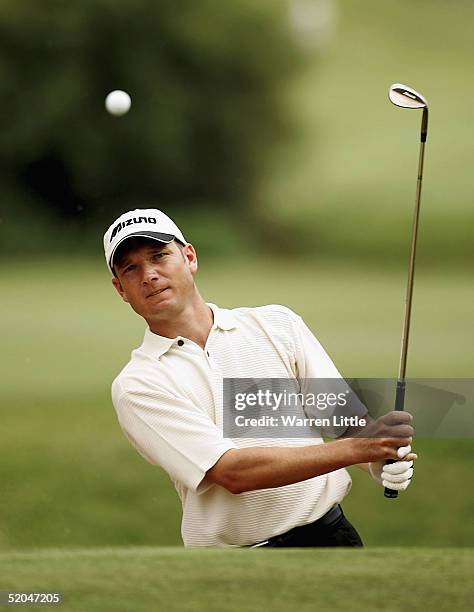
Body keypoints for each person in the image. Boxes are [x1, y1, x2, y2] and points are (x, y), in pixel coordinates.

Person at [103, 208, 417, 548]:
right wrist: (358, 450)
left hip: (331, 538)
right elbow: (232, 472)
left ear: (189, 257)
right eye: (131, 268)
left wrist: (378, 459)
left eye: (159, 256)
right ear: (121, 288)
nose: (149, 274)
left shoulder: (276, 325)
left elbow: (343, 419)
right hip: (236, 566)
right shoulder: (138, 385)